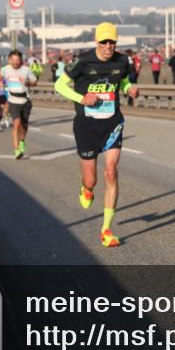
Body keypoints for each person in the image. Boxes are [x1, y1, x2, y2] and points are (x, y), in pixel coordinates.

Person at [54, 22, 139, 247]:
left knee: (111, 172)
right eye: (104, 42)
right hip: (86, 125)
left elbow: (123, 81)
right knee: (91, 179)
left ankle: (106, 230)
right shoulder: (82, 61)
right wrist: (81, 98)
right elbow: (59, 85)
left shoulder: (123, 60)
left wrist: (129, 89)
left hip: (112, 123)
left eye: (112, 42)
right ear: (96, 42)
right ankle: (87, 188)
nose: (108, 46)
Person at [2, 50, 37, 159]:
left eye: (17, 60)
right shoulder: (5, 69)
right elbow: (0, 77)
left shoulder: (26, 70)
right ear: (9, 60)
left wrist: (27, 83)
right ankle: (16, 149)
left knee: (24, 126)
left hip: (25, 100)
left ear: (21, 60)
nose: (15, 62)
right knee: (16, 123)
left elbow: (35, 82)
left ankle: (22, 141)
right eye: (13, 60)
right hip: (13, 100)